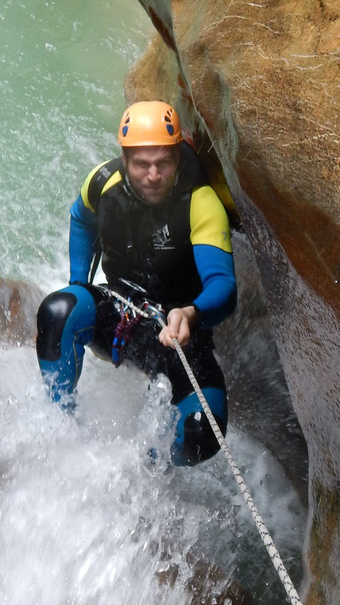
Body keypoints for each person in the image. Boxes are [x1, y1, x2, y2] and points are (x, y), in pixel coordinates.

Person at [35, 100, 237, 465]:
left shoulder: (200, 203)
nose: (153, 175)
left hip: (177, 335)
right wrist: (79, 283)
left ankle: (156, 471)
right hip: (121, 313)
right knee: (58, 311)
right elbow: (81, 219)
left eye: (163, 163)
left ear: (177, 158)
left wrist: (191, 314)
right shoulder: (102, 183)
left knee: (204, 434)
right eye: (142, 165)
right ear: (125, 160)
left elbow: (223, 285)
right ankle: (58, 427)